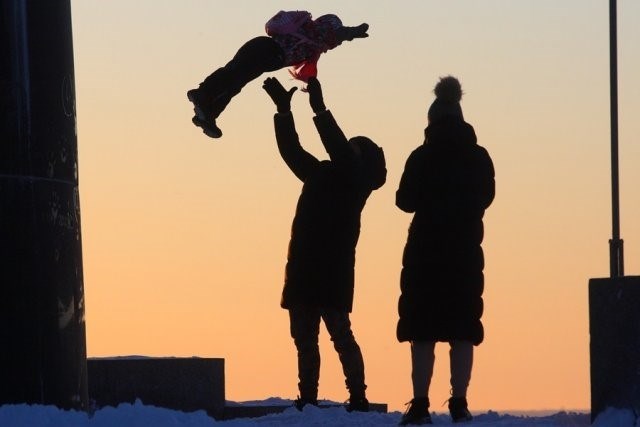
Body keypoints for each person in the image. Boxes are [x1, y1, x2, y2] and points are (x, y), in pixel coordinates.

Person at [262, 75, 386, 413]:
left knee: (340, 337)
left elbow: (336, 146)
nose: (348, 149)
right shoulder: (320, 174)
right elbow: (292, 151)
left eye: (354, 148)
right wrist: (283, 110)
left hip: (330, 271)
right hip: (304, 267)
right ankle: (308, 399)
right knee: (305, 341)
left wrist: (317, 106)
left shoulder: (356, 182)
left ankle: (358, 397)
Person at [396, 76, 495, 425]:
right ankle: (459, 402)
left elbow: (403, 201)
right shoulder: (479, 156)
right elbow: (486, 197)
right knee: (462, 328)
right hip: (465, 252)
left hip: (424, 251)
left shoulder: (421, 156)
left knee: (421, 329)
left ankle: (420, 404)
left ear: (431, 122)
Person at [187, 10, 369, 139]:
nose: (336, 42)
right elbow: (337, 33)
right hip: (267, 50)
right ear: (328, 27)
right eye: (336, 35)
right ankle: (202, 95)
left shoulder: (315, 46)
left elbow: (335, 37)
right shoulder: (317, 32)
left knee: (235, 80)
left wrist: (349, 35)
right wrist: (353, 32)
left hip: (265, 52)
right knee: (234, 77)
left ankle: (208, 114)